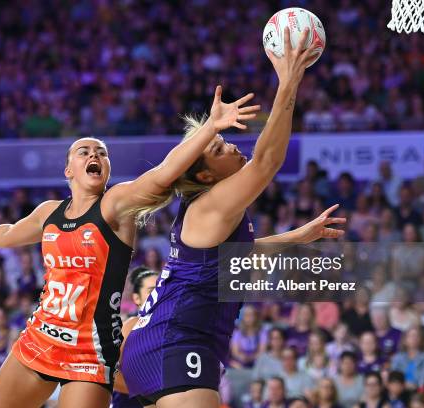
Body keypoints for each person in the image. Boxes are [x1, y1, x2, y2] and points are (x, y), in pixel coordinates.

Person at [0, 85, 260, 408]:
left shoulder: (115, 205)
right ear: (68, 170)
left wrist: (209, 129)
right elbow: (9, 233)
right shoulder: (49, 212)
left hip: (90, 349)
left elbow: (163, 173)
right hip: (40, 336)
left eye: (101, 152)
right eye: (84, 151)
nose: (94, 155)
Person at [121, 28, 343, 408]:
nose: (233, 145)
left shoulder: (207, 212)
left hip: (155, 343)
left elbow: (230, 259)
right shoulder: (213, 203)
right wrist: (289, 81)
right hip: (178, 343)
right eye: (221, 147)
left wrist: (294, 237)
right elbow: (268, 161)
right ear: (205, 175)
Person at [112, 266, 159, 408]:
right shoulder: (129, 327)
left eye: (163, 289)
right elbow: (109, 371)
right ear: (136, 298)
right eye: (151, 291)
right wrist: (147, 391)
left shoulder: (174, 325)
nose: (159, 294)